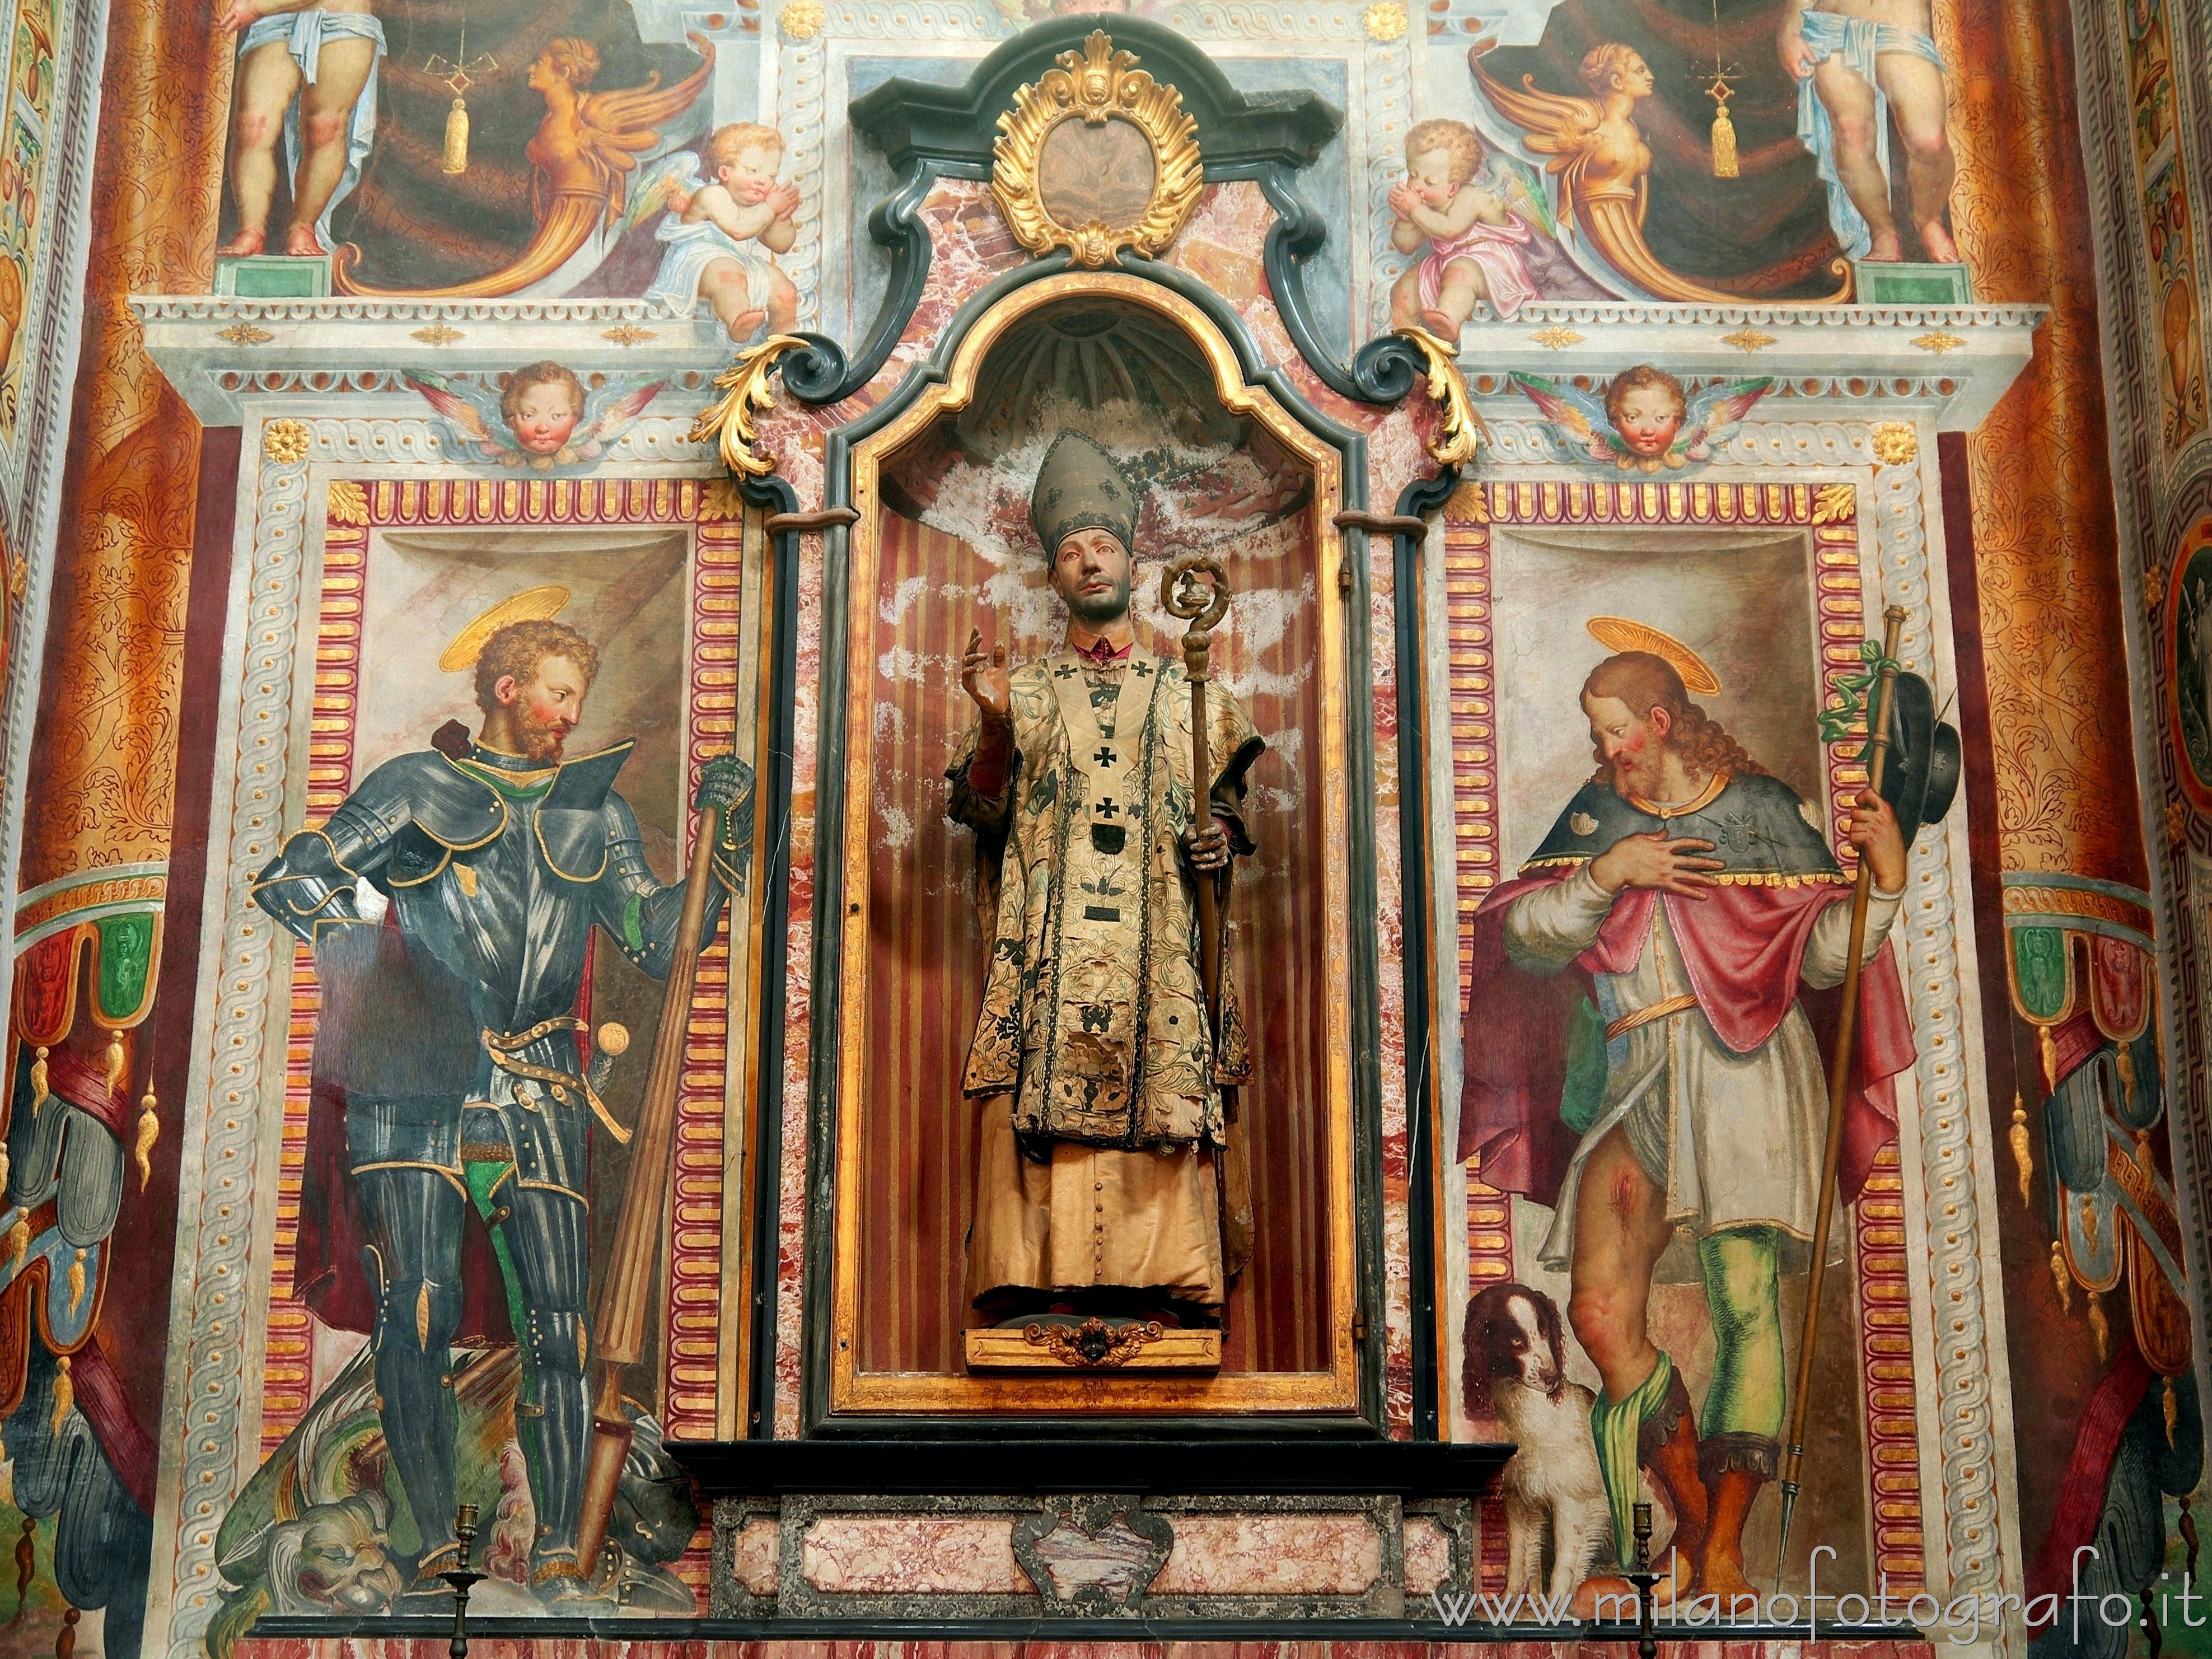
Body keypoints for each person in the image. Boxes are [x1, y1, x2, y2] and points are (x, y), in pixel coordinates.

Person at [250, 614, 751, 1600]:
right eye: (558, 691)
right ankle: (433, 1539)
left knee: (562, 1326)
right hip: (412, 1086)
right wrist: (379, 971)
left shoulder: (592, 814)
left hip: (540, 1081)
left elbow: (658, 936)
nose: (571, 714)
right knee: (419, 1313)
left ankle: (563, 1541)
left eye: (578, 696)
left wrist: (724, 840)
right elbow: (295, 875)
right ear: (508, 688)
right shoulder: (413, 786)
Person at [1459, 641, 1918, 1603]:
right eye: (1595, 729)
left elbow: (1826, 959)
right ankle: (1696, 1519)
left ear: (1660, 721)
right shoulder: (1602, 817)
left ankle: (1721, 1547)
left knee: (1745, 1300)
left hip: (1746, 1068)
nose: (1604, 745)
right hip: (1638, 1073)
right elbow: (1526, 936)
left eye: (1613, 727)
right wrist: (1606, 873)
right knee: (1596, 1311)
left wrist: (1885, 879)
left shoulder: (1760, 814)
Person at [947, 431, 1262, 1336]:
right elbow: (980, 808)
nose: (1089, 562)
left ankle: (1163, 1272)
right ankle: (1033, 1271)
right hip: (1049, 938)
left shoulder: (1187, 687)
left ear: (1132, 560)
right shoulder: (1027, 685)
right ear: (1052, 575)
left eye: (1104, 546)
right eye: (1071, 551)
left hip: (1156, 942)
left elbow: (1231, 804)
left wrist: (1219, 837)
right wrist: (995, 722)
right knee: (1037, 1062)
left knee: (1162, 1063)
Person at [1779, 0, 1960, 263]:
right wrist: (1791, 28)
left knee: (1929, 141)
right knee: (1852, 132)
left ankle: (1929, 218)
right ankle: (1883, 232)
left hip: (1901, 22)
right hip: (1833, 25)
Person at [217, 0, 385, 259]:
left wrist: (257, 7)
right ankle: (251, 231)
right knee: (253, 127)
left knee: (325, 127)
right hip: (276, 20)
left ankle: (303, 226)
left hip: (343, 17)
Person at [645, 122, 802, 343]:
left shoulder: (756, 206)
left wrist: (781, 217)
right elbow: (739, 229)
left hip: (736, 260)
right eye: (753, 171)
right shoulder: (712, 195)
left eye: (771, 176)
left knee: (785, 290)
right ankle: (737, 321)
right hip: (700, 261)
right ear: (725, 172)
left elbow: (781, 245)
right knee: (729, 276)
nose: (763, 180)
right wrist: (771, 208)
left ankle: (783, 346)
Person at [1387, 118, 1540, 333]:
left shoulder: (1471, 197)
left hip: (1487, 264)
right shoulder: (1426, 206)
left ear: (1453, 188)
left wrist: (1414, 210)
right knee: (1402, 291)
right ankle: (1405, 338)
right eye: (1413, 175)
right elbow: (1406, 245)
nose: (1416, 186)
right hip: (1445, 262)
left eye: (1429, 182)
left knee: (1459, 274)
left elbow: (1449, 229)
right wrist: (1405, 218)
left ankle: (1448, 320)